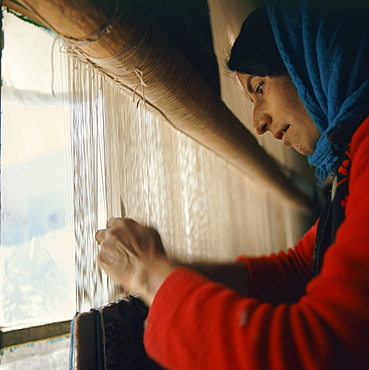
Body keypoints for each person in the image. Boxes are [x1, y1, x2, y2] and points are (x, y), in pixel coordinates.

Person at [95, 1, 369, 369]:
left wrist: (149, 276)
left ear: (312, 56)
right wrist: (169, 268)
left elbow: (320, 350)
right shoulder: (354, 167)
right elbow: (300, 268)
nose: (258, 122)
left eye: (259, 88)